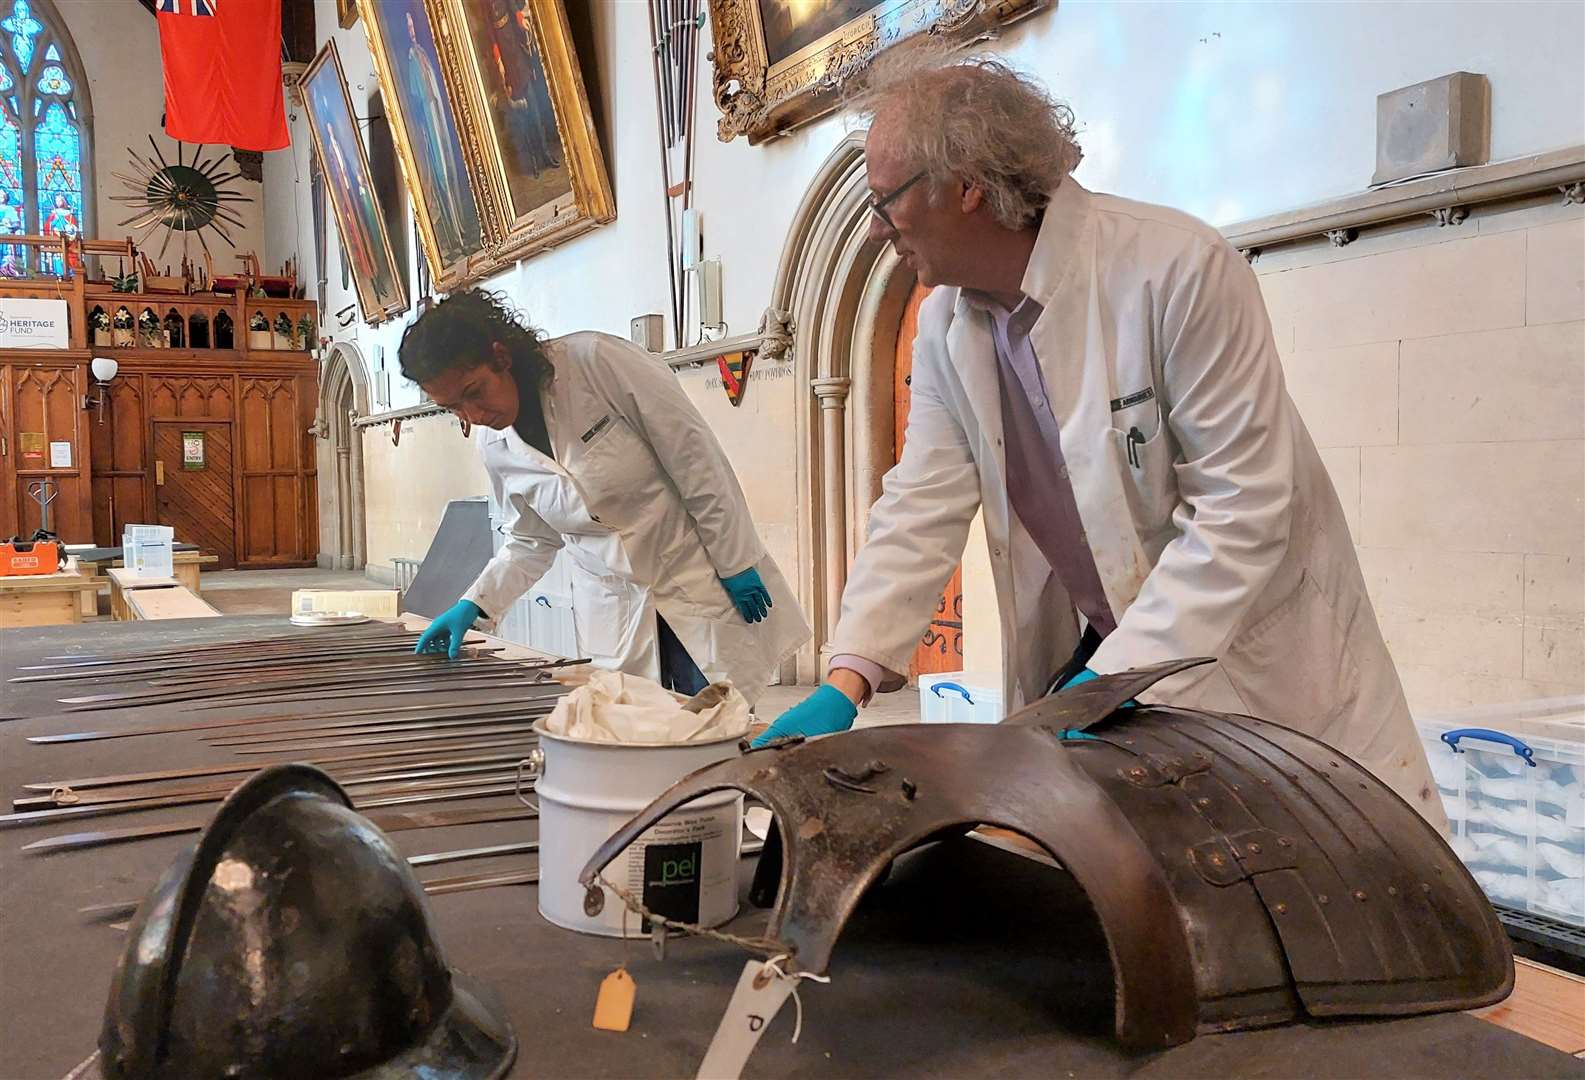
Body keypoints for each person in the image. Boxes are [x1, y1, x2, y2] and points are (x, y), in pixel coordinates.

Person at [758, 47, 1444, 826]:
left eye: (886, 202)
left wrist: (1111, 680)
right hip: (1117, 653)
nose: (879, 229)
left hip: (1256, 660)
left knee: (1322, 881)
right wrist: (846, 678)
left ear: (967, 188)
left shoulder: (1174, 268)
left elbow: (1241, 512)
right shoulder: (951, 323)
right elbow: (920, 502)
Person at [402, 289, 810, 706]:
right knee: (635, 736)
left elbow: (695, 460)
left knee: (718, 728)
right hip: (614, 610)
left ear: (501, 356)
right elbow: (531, 540)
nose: (473, 415)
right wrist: (475, 602)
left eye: (475, 392)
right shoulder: (495, 448)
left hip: (694, 579)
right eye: (453, 408)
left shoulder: (596, 363)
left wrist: (736, 560)